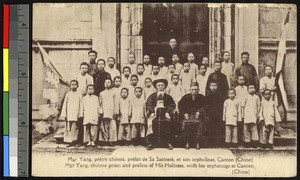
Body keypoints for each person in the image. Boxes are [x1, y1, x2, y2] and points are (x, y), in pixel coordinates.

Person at [146, 79, 176, 150]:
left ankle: (168, 142)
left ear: (165, 87)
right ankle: (151, 142)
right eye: (158, 85)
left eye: (162, 85)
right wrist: (152, 111)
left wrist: (168, 111)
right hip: (154, 114)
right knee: (151, 123)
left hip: (165, 114)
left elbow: (172, 105)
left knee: (168, 123)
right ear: (156, 87)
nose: (160, 87)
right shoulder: (152, 96)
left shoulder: (168, 97)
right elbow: (149, 104)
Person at [178, 82, 207, 150]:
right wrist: (185, 113)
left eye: (195, 90)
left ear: (198, 90)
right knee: (185, 124)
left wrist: (199, 112)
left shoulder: (202, 97)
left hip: (198, 116)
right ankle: (187, 142)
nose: (194, 91)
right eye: (192, 90)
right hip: (187, 116)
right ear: (190, 90)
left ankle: (197, 142)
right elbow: (180, 105)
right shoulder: (186, 97)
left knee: (200, 124)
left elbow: (205, 106)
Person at [60, 80, 83, 147]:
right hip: (69, 113)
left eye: (75, 84)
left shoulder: (79, 94)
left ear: (77, 86)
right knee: (69, 127)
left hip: (76, 113)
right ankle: (69, 141)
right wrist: (64, 114)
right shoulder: (68, 94)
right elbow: (65, 105)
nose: (73, 86)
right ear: (70, 86)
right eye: (72, 84)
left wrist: (80, 114)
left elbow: (81, 105)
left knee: (75, 128)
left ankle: (75, 140)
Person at [206, 82, 226, 146]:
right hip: (211, 114)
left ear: (217, 87)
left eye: (215, 85)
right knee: (210, 128)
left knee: (218, 128)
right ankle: (210, 142)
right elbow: (206, 106)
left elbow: (221, 106)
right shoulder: (207, 96)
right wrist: (207, 115)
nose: (214, 87)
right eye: (212, 85)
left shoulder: (220, 96)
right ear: (210, 87)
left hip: (218, 114)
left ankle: (218, 143)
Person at [98, 79, 117, 146]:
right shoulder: (101, 93)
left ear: (111, 84)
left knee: (112, 126)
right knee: (104, 126)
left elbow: (116, 103)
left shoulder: (114, 93)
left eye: (109, 82)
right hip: (104, 111)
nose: (107, 83)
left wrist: (115, 112)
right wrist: (101, 112)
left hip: (111, 111)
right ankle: (104, 140)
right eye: (105, 82)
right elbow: (100, 104)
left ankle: (112, 140)